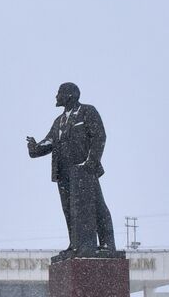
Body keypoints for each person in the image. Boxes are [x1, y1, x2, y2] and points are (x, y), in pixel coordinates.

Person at [26, 82, 116, 254]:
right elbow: (50, 142)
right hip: (64, 173)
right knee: (70, 210)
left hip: (84, 170)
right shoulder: (58, 121)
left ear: (69, 95)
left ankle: (107, 244)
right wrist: (34, 147)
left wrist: (91, 161)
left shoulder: (87, 111)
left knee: (97, 206)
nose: (56, 96)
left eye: (59, 93)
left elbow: (99, 136)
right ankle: (75, 244)